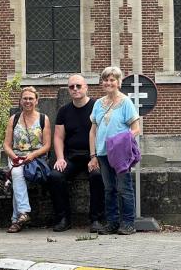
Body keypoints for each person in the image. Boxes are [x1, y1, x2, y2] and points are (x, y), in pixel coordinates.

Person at [88, 66, 141, 235]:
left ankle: (128, 223)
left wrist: (122, 142)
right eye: (106, 80)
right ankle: (112, 222)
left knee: (124, 188)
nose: (108, 83)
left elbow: (136, 128)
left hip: (119, 154)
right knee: (109, 188)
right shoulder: (98, 103)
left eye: (112, 80)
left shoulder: (126, 102)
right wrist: (93, 155)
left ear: (118, 82)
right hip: (103, 153)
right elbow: (93, 131)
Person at [50, 74, 103, 232]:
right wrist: (60, 158)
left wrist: (96, 158)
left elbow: (103, 133)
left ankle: (96, 220)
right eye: (72, 87)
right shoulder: (64, 111)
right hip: (72, 157)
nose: (75, 89)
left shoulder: (97, 107)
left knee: (97, 176)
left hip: (93, 155)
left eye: (78, 86)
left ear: (86, 87)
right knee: (55, 176)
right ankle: (63, 219)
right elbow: (58, 137)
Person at [3, 86, 51, 233]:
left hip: (35, 158)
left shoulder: (43, 119)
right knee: (17, 172)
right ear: (20, 101)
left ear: (36, 101)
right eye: (25, 98)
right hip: (16, 157)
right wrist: (14, 157)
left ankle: (17, 218)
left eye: (31, 98)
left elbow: (47, 145)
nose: (28, 101)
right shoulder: (14, 119)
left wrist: (32, 155)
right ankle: (23, 214)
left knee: (17, 174)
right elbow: (6, 144)